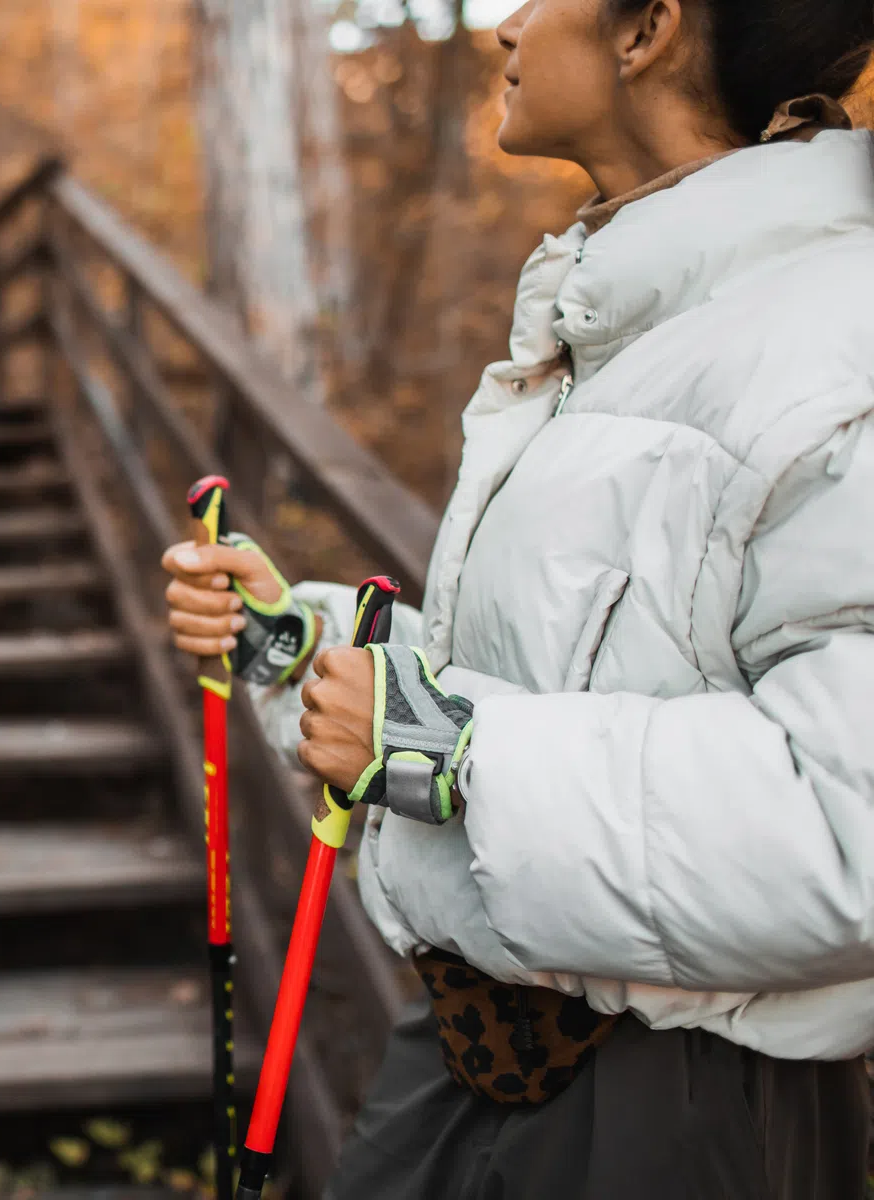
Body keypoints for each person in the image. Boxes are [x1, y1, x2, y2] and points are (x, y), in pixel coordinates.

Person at [161, 0, 874, 1193]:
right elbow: (568, 668)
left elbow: (847, 835)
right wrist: (299, 645)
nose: (504, 26)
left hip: (688, 1103)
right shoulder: (626, 319)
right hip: (472, 1046)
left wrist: (446, 747)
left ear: (648, 28)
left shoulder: (832, 338)